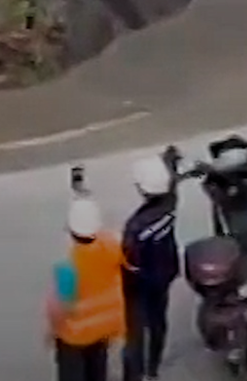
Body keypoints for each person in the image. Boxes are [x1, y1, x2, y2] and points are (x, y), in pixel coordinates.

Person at [47, 196, 126, 381]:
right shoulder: (112, 246)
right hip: (104, 327)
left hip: (76, 336)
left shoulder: (68, 267)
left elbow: (60, 308)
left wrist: (52, 331)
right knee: (97, 369)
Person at [122, 155, 180, 381]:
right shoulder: (170, 205)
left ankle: (134, 375)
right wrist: (171, 163)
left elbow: (129, 261)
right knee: (158, 322)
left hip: (140, 283)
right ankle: (153, 368)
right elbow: (172, 186)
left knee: (135, 333)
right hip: (164, 273)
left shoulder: (135, 227)